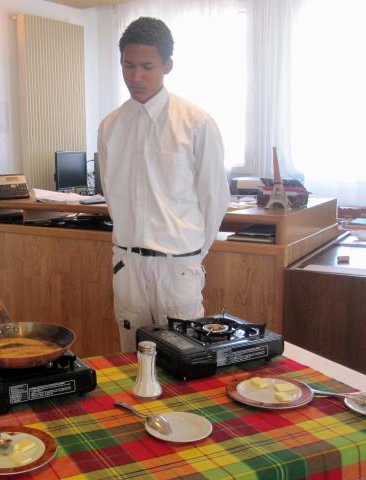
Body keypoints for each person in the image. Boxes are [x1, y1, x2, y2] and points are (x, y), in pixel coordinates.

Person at [97, 17, 229, 352]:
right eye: (128, 65)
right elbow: (112, 195)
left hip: (177, 266)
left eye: (147, 66)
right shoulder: (110, 126)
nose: (135, 77)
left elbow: (214, 198)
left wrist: (191, 256)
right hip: (129, 265)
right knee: (132, 362)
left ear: (167, 65)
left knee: (184, 361)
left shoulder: (196, 123)